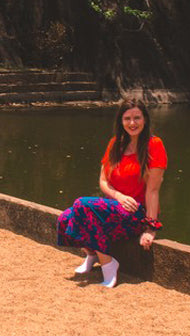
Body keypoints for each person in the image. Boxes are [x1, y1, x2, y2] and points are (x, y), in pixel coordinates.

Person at [56, 98, 166, 288]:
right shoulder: (115, 143)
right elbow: (103, 181)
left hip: (136, 213)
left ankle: (108, 264)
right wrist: (119, 196)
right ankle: (91, 254)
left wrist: (150, 228)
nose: (132, 123)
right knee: (65, 219)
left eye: (137, 118)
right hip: (114, 207)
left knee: (81, 204)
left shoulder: (154, 145)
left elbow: (153, 190)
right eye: (127, 118)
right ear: (121, 121)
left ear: (145, 120)